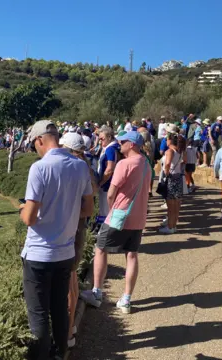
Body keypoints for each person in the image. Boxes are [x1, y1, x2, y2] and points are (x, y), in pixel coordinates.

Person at [19, 120, 93, 360]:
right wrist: (65, 212)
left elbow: (30, 218)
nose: (35, 149)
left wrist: (22, 209)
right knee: (60, 308)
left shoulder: (39, 168)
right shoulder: (80, 166)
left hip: (39, 253)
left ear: (40, 140)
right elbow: (88, 209)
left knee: (38, 314)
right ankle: (60, 354)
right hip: (65, 252)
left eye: (34, 145)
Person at [80, 131, 150, 314]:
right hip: (138, 216)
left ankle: (96, 292)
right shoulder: (146, 164)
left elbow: (111, 193)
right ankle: (126, 299)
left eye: (124, 141)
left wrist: (112, 210)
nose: (120, 144)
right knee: (132, 255)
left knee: (101, 249)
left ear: (132, 144)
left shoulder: (124, 164)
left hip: (119, 215)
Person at [58, 133, 98, 348]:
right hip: (79, 228)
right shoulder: (85, 167)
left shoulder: (74, 168)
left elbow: (85, 207)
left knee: (69, 282)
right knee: (71, 279)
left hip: (72, 229)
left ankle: (68, 332)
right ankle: (70, 328)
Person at [95, 126, 120, 229]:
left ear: (109, 137)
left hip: (107, 185)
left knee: (105, 211)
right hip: (110, 183)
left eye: (102, 139)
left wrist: (100, 183)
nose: (100, 141)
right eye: (99, 139)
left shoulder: (110, 149)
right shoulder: (115, 146)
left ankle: (105, 235)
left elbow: (110, 169)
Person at [160, 132, 184, 234]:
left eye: (166, 139)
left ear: (170, 140)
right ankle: (173, 225)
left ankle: (170, 227)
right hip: (178, 178)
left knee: (170, 205)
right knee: (176, 204)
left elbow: (168, 164)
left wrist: (166, 173)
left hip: (171, 178)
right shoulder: (179, 151)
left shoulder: (170, 151)